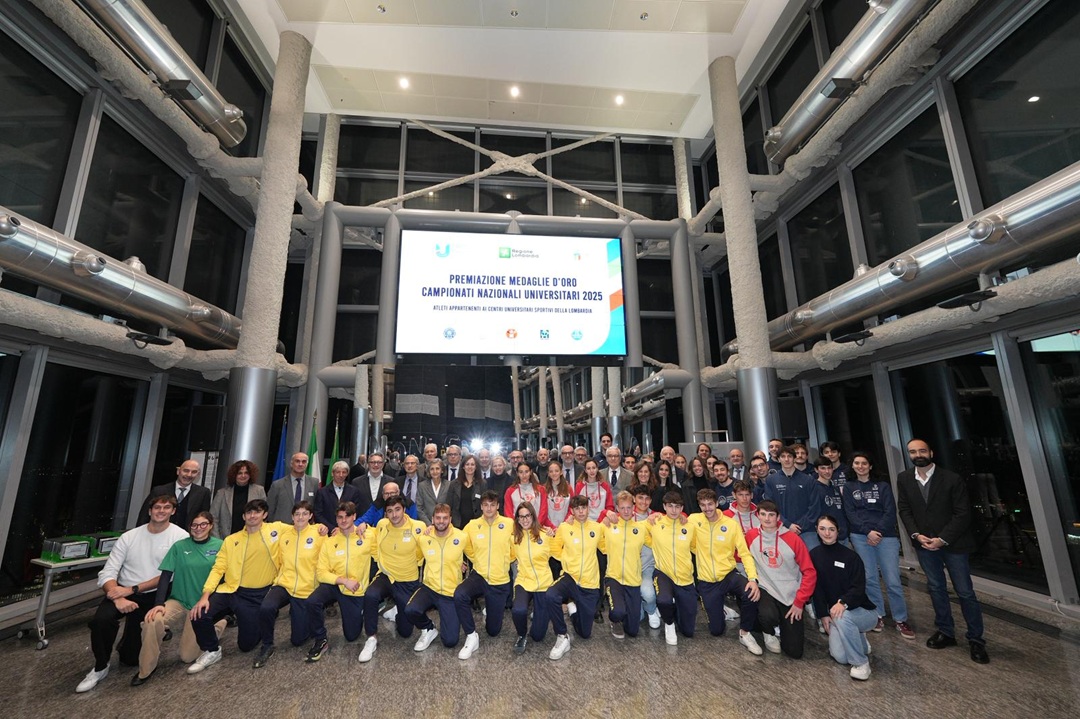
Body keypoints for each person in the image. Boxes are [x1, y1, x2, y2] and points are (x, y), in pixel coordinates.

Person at [76, 495, 188, 693]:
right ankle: (100, 667)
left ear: (173, 511)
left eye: (166, 507)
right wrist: (118, 597)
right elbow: (108, 572)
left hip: (153, 595)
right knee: (101, 620)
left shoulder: (180, 537)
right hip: (122, 591)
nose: (161, 511)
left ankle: (128, 643)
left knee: (130, 660)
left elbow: (169, 575)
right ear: (149, 511)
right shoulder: (129, 537)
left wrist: (134, 589)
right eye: (157, 507)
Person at [896, 439, 988, 664]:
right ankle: (946, 632)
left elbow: (962, 513)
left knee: (965, 592)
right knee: (936, 588)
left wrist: (942, 539)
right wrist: (916, 535)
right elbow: (905, 510)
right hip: (925, 545)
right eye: (913, 451)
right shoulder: (905, 478)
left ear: (931, 452)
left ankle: (976, 639)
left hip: (953, 545)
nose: (918, 454)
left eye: (922, 450)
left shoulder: (951, 479)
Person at [187, 498, 282, 674]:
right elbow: (218, 568)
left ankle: (259, 621)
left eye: (257, 512)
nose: (253, 515)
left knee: (246, 646)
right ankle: (212, 650)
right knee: (199, 614)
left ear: (265, 515)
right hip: (231, 590)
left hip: (257, 596)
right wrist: (205, 596)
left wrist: (321, 529)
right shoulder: (231, 540)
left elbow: (303, 528)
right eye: (249, 512)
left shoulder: (277, 530)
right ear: (244, 516)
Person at [133, 511, 225, 685]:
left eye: (203, 524)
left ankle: (218, 625)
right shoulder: (179, 546)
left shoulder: (221, 546)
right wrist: (159, 604)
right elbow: (166, 576)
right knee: (152, 620)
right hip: (179, 600)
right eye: (194, 525)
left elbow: (226, 577)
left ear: (211, 525)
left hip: (202, 604)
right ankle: (145, 670)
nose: (198, 528)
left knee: (187, 657)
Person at [842, 451, 914, 639]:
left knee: (893, 580)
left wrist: (878, 532)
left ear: (870, 466)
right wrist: (867, 532)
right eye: (856, 463)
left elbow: (890, 511)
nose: (860, 466)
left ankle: (900, 619)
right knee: (870, 577)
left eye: (864, 463)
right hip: (860, 536)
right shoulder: (849, 487)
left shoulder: (882, 486)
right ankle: (877, 614)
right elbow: (850, 513)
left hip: (886, 537)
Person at [689, 488, 763, 655]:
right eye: (703, 505)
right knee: (716, 630)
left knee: (750, 592)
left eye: (710, 504)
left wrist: (753, 578)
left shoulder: (730, 524)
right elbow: (676, 520)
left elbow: (744, 553)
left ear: (717, 503)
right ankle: (722, 609)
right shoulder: (694, 520)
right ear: (699, 506)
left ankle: (745, 633)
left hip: (728, 575)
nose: (707, 508)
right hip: (707, 581)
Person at [254, 500, 326, 668]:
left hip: (306, 588)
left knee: (298, 640)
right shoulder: (284, 535)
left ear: (310, 516)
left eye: (304, 514)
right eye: (297, 514)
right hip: (284, 584)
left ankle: (307, 617)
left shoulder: (319, 534)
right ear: (292, 516)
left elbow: (325, 560)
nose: (300, 517)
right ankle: (267, 644)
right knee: (266, 607)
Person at [358, 495, 427, 663]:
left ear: (404, 510)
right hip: (386, 575)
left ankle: (397, 611)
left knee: (405, 632)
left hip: (407, 579)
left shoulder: (418, 527)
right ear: (386, 514)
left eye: (397, 510)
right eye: (390, 511)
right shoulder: (382, 525)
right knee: (370, 595)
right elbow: (370, 536)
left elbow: (431, 543)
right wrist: (360, 525)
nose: (394, 515)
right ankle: (371, 638)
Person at [744, 500, 817, 659]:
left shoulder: (793, 539)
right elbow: (740, 556)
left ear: (778, 517)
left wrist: (800, 602)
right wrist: (751, 580)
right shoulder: (751, 536)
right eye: (763, 514)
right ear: (758, 516)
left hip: (789, 593)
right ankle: (767, 632)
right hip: (766, 588)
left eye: (771, 515)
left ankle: (781, 625)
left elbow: (809, 572)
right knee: (766, 614)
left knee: (794, 651)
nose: (767, 519)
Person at [809, 515, 877, 680]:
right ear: (817, 530)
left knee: (841, 616)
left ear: (838, 531)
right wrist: (822, 614)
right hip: (835, 613)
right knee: (839, 657)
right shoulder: (814, 555)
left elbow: (859, 588)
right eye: (823, 529)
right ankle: (859, 640)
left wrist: (843, 602)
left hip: (863, 612)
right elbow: (816, 588)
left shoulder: (851, 557)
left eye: (831, 529)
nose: (827, 533)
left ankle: (861, 663)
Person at [306, 501, 375, 662]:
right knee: (312, 602)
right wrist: (343, 581)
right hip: (335, 584)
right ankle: (320, 639)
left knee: (351, 636)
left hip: (355, 590)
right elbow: (321, 573)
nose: (343, 520)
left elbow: (386, 532)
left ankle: (361, 610)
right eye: (339, 517)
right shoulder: (330, 542)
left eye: (347, 516)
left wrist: (366, 525)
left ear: (354, 517)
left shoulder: (367, 536)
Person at [545, 495, 606, 659]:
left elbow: (606, 548)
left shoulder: (597, 528)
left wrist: (609, 522)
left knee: (585, 633)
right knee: (551, 595)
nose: (581, 511)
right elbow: (554, 548)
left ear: (588, 509)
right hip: (570, 577)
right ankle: (562, 635)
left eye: (584, 508)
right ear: (572, 510)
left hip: (589, 583)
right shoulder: (565, 527)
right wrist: (566, 559)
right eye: (577, 508)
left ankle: (573, 611)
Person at [455, 491, 514, 659]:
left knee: (493, 631)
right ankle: (472, 635)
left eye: (492, 505)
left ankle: (491, 608)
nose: (489, 508)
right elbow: (460, 540)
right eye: (486, 505)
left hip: (499, 580)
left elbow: (519, 541)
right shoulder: (472, 525)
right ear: (481, 506)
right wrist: (474, 559)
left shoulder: (508, 524)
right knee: (460, 594)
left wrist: (506, 560)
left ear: (498, 506)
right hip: (479, 575)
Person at [404, 504, 469, 653]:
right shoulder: (424, 538)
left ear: (450, 519)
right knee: (410, 610)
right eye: (438, 518)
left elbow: (473, 556)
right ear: (432, 519)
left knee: (450, 641)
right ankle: (428, 628)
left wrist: (463, 563)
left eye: (445, 518)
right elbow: (417, 558)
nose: (441, 521)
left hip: (450, 592)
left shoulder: (461, 536)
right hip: (429, 587)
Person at [647, 491, 697, 646]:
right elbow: (629, 524)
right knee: (663, 600)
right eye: (670, 506)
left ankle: (676, 605)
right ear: (664, 507)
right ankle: (669, 623)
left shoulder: (689, 526)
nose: (674, 510)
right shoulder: (655, 523)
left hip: (685, 577)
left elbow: (696, 548)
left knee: (688, 631)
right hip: (663, 572)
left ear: (682, 507)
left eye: (677, 507)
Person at [509, 501, 555, 653]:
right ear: (517, 519)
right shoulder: (514, 538)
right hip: (524, 581)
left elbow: (561, 551)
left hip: (543, 584)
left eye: (527, 516)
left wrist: (555, 533)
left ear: (533, 516)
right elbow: (505, 556)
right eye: (521, 517)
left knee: (538, 636)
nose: (525, 520)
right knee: (518, 610)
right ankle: (521, 635)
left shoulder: (546, 535)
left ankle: (539, 615)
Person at [764, 446, 816, 547]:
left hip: (807, 530)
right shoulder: (771, 480)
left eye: (789, 456)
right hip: (781, 529)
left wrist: (799, 526)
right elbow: (770, 507)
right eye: (783, 456)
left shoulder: (808, 480)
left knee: (811, 561)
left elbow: (814, 507)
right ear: (779, 459)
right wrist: (787, 524)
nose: (786, 459)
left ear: (794, 458)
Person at [137, 459, 211, 529]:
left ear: (198, 475)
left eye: (194, 472)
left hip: (187, 538)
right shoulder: (159, 491)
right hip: (159, 534)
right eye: (186, 470)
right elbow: (144, 515)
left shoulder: (203, 493)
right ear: (178, 471)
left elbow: (204, 519)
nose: (189, 475)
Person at [210, 459, 267, 538]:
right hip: (226, 539)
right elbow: (213, 518)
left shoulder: (259, 491)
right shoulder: (221, 493)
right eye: (239, 473)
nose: (243, 476)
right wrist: (218, 540)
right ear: (234, 475)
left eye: (246, 473)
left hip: (252, 537)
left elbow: (263, 516)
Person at [631, 485, 661, 629]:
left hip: (648, 566)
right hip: (630, 568)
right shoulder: (625, 514)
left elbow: (680, 517)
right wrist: (606, 514)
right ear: (634, 499)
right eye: (640, 498)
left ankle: (651, 609)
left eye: (647, 498)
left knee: (649, 594)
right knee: (637, 618)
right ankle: (642, 606)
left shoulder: (657, 517)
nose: (644, 501)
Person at [267, 453, 318, 523]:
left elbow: (315, 507)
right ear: (291, 463)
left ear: (307, 464)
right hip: (282, 528)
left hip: (305, 528)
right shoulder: (277, 485)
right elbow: (270, 509)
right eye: (297, 461)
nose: (300, 464)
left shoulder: (314, 483)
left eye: (304, 462)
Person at [314, 460, 363, 528]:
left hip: (347, 530)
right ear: (332, 473)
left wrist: (344, 527)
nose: (341, 475)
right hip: (327, 532)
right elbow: (318, 514)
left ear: (347, 474)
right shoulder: (322, 492)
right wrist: (331, 528)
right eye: (338, 472)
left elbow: (356, 512)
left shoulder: (354, 491)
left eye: (344, 472)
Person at [504, 461, 552, 529]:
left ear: (531, 472)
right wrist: (516, 527)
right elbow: (508, 512)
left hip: (537, 528)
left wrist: (536, 525)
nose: (524, 475)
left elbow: (543, 511)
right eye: (521, 472)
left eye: (526, 472)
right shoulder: (510, 491)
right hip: (518, 529)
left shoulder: (541, 490)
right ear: (517, 473)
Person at [447, 454, 487, 529]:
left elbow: (485, 504)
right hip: (457, 524)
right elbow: (448, 505)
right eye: (467, 464)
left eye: (472, 464)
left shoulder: (482, 484)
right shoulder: (454, 484)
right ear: (463, 467)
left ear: (476, 467)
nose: (470, 467)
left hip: (477, 524)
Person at [350, 451, 389, 516]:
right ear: (368, 464)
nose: (376, 465)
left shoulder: (391, 481)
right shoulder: (356, 482)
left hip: (383, 522)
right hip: (361, 522)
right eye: (372, 462)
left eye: (379, 462)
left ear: (383, 464)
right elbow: (353, 504)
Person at [417, 459, 449, 524]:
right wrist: (428, 524)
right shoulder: (422, 486)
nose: (435, 471)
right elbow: (419, 508)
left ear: (442, 470)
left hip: (444, 523)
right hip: (427, 524)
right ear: (429, 471)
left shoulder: (449, 485)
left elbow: (451, 506)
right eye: (432, 469)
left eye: (437, 468)